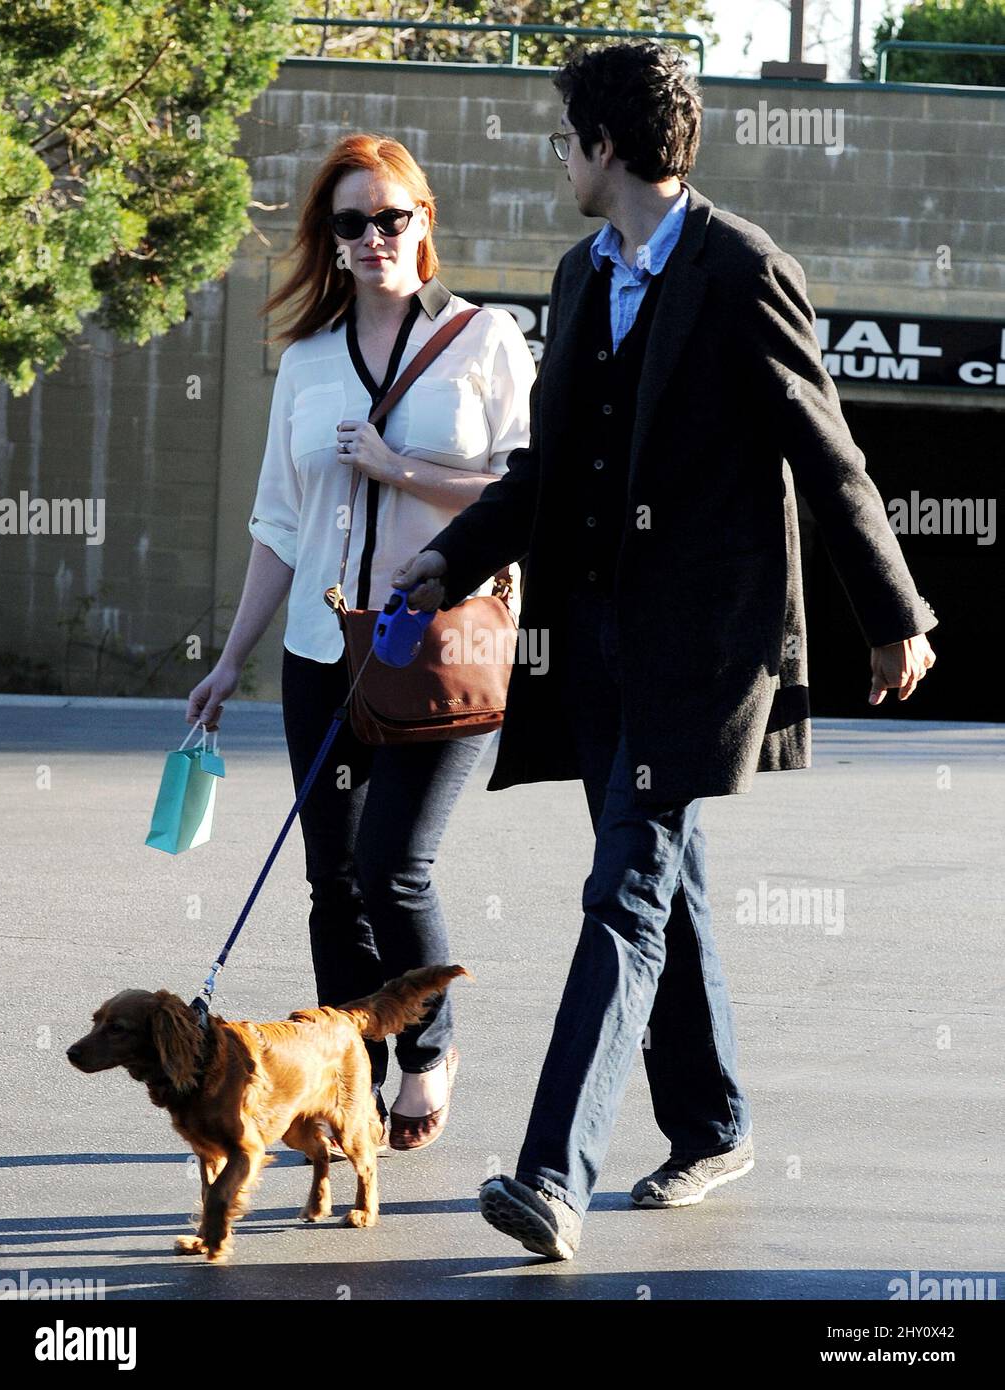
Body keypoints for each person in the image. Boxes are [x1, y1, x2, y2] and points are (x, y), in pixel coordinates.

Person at [392, 43, 938, 1258]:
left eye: (562, 140)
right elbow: (545, 468)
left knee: (625, 893)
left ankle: (550, 1175)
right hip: (592, 642)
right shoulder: (583, 276)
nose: (559, 162)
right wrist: (453, 557)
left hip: (700, 650)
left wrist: (894, 610)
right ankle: (714, 1121)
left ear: (602, 146)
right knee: (663, 881)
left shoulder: (743, 270)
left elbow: (823, 448)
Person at [187, 132, 535, 1153]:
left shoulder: (486, 341)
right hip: (322, 655)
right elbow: (279, 526)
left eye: (393, 216)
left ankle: (430, 1049)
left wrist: (400, 467)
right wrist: (226, 658)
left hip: (440, 650)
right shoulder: (303, 364)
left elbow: (535, 494)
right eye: (352, 223)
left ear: (424, 222)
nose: (376, 236)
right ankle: (350, 1081)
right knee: (331, 877)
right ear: (330, 242)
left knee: (398, 864)